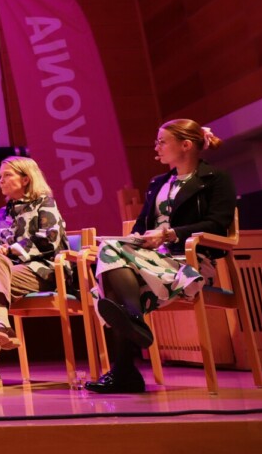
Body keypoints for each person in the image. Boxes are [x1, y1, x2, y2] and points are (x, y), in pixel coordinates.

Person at [84, 119, 236, 394]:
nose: (156, 147)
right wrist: (126, 242)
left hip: (189, 262)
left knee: (113, 286)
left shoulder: (215, 179)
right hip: (151, 260)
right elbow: (142, 228)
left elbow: (218, 224)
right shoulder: (158, 183)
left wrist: (168, 235)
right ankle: (134, 321)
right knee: (109, 254)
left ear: (186, 145)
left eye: (162, 141)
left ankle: (125, 367)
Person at [0, 156, 67, 389]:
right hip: (7, 275)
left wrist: (8, 250)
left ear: (26, 178)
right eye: (0, 176)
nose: (0, 181)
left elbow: (50, 239)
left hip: (42, 271)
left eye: (7, 175)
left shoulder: (44, 203)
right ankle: (0, 325)